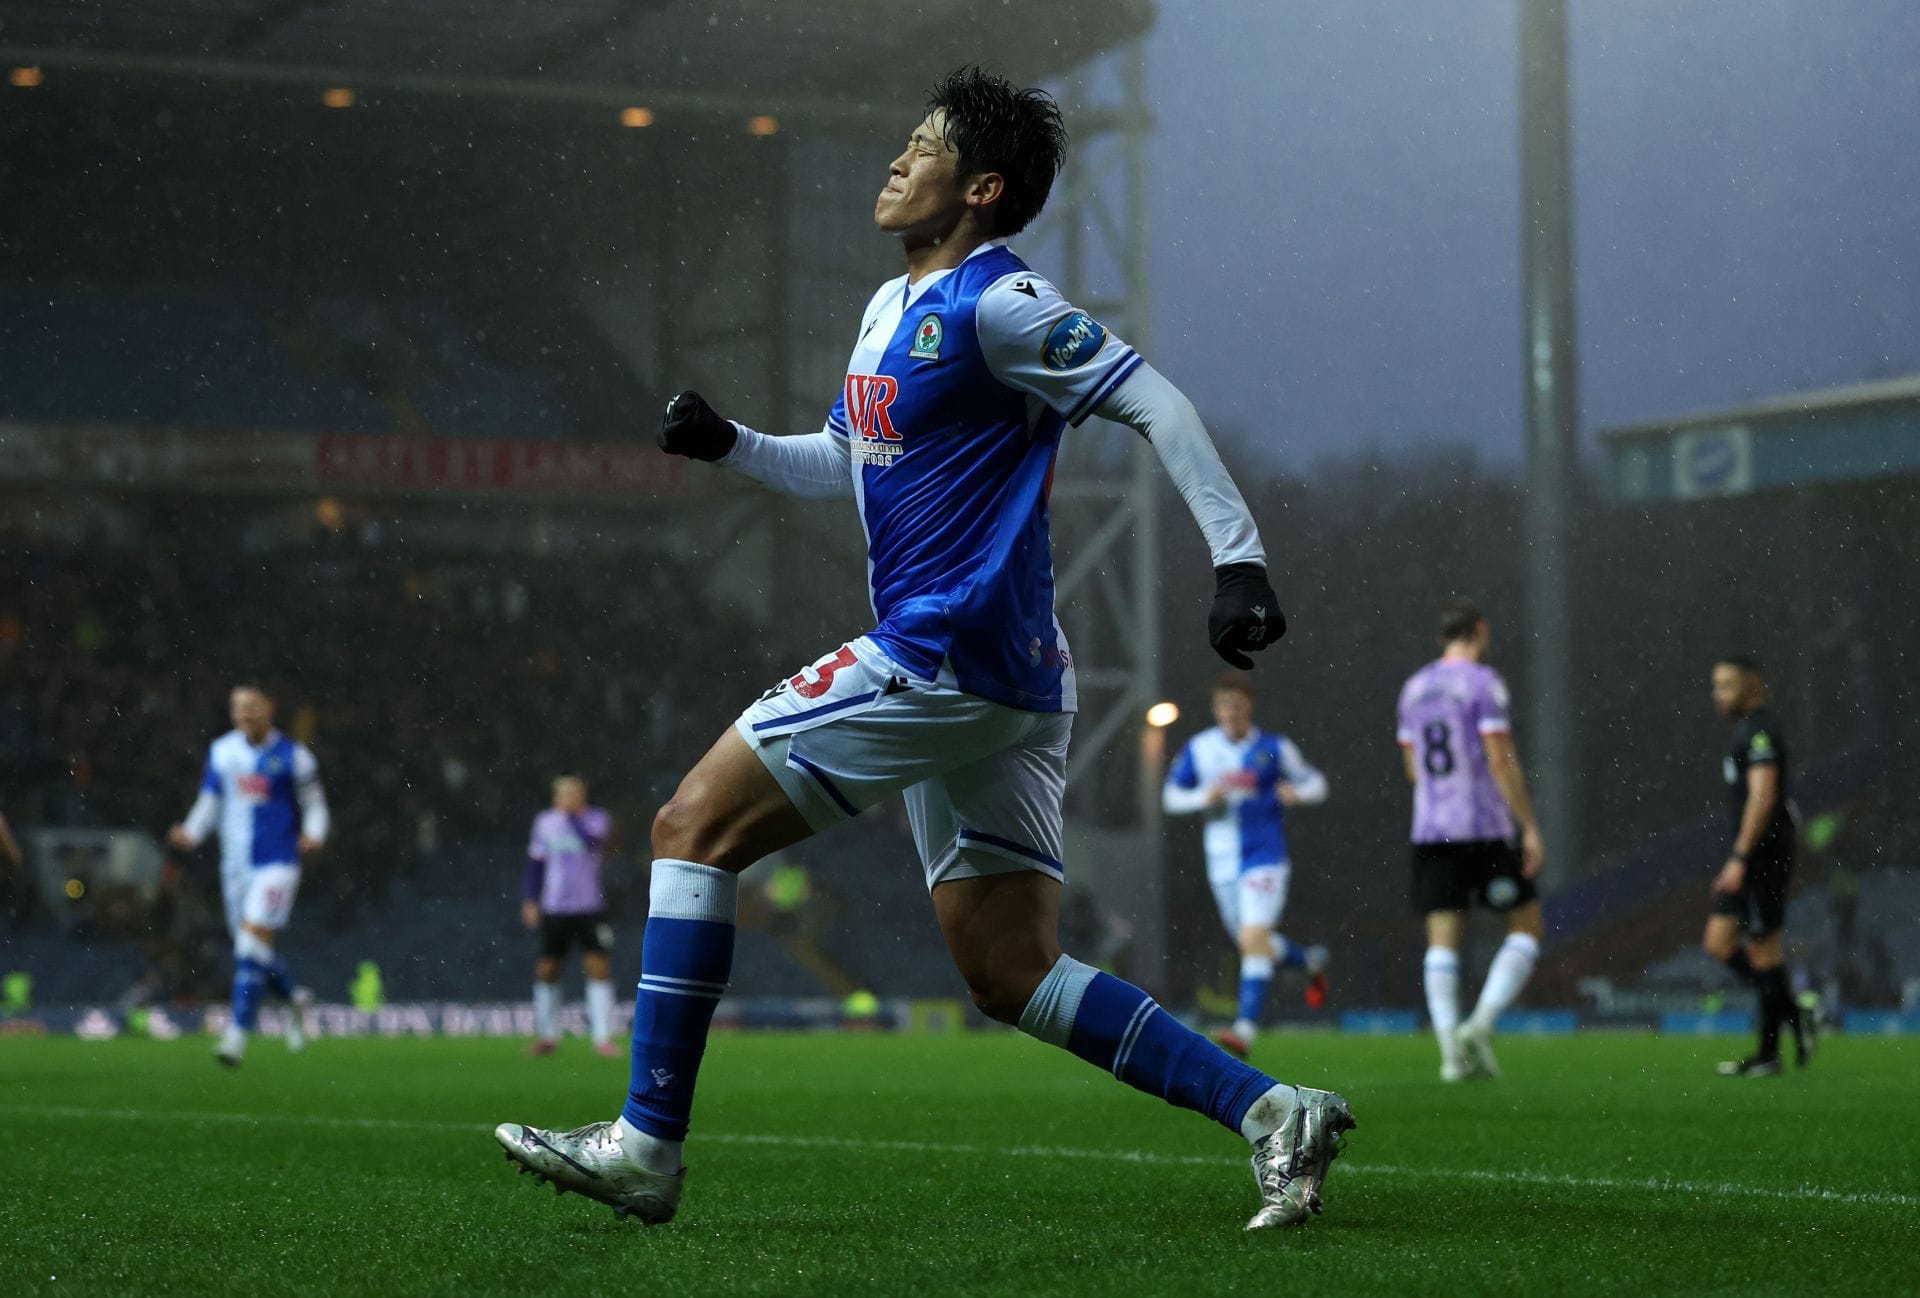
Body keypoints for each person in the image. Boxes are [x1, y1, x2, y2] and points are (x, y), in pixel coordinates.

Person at [494, 67, 1354, 1232]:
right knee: (1011, 971)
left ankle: (647, 1141)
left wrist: (1237, 558)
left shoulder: (1001, 305)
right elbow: (842, 460)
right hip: (1001, 680)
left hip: (944, 653)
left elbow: (1156, 401)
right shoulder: (884, 310)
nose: (896, 161)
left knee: (689, 826)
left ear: (981, 188)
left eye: (923, 147)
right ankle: (1272, 1110)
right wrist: (730, 443)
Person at [1395, 600, 1544, 1082]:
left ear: (1443, 637)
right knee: (1525, 927)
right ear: (1481, 631)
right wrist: (1529, 826)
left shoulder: (1414, 689)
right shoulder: (1483, 683)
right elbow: (1500, 759)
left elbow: (1413, 768)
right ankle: (1479, 1025)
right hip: (1483, 826)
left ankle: (1448, 1058)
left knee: (1443, 940)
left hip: (1432, 829)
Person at [1163, 673, 1330, 1058]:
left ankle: (1245, 1029)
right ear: (1215, 709)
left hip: (1265, 857)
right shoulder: (1200, 749)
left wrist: (1298, 792)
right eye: (1225, 706)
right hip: (1221, 862)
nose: (1231, 713)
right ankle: (1308, 962)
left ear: (1248, 707)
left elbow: (1317, 784)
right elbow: (1170, 798)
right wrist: (1204, 796)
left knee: (1253, 940)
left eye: (1238, 706)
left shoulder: (1274, 748)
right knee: (1253, 943)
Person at [168, 684, 328, 1066]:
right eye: (237, 708)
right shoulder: (223, 752)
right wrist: (191, 832)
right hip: (234, 867)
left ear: (269, 708)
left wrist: (314, 834)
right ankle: (293, 999)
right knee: (253, 950)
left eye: (251, 707)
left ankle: (236, 1036)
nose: (243, 714)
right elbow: (210, 801)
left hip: (277, 863)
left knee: (248, 948)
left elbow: (315, 805)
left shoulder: (295, 756)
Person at [1704, 656, 1811, 1077]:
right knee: (1718, 942)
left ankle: (1768, 1056)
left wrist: (1741, 857)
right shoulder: (1745, 731)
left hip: (1764, 854)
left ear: (1754, 688)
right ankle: (1793, 1014)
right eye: (1717, 686)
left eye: (1727, 686)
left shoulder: (1761, 731)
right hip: (1751, 854)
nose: (1719, 695)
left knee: (1764, 951)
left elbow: (1764, 797)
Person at [522, 775, 620, 1057]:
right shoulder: (545, 822)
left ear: (583, 794)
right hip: (555, 908)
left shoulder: (596, 819)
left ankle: (602, 1037)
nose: (569, 797)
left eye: (574, 792)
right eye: (564, 793)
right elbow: (535, 864)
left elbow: (593, 844)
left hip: (590, 906)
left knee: (599, 967)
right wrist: (530, 899)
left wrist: (573, 817)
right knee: (547, 969)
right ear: (555, 796)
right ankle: (547, 1036)